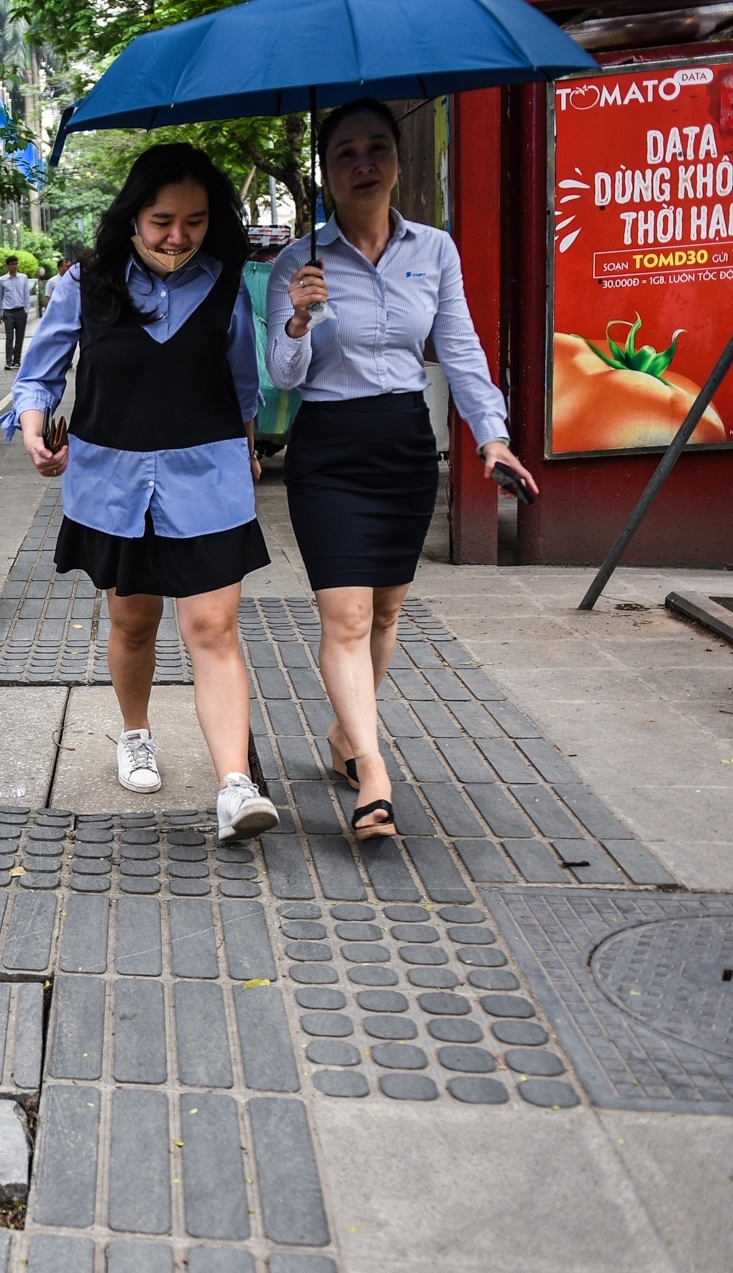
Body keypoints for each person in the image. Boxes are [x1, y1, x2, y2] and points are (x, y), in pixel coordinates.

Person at [267, 99, 541, 841]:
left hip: (403, 442)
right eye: (347, 152)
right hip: (328, 446)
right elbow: (282, 376)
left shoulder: (435, 250)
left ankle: (343, 735)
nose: (363, 163)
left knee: (386, 613)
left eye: (377, 148)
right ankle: (375, 770)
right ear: (326, 170)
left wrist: (492, 435)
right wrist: (297, 318)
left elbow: (460, 346)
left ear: (398, 161)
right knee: (347, 615)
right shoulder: (298, 261)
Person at [6, 142, 279, 843]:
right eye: (162, 220)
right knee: (134, 623)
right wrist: (34, 429)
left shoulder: (225, 285)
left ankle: (233, 785)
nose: (177, 236)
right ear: (133, 214)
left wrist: (250, 447)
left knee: (213, 629)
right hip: (113, 482)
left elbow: (243, 383)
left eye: (193, 221)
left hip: (210, 476)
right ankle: (135, 732)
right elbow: (38, 375)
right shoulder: (85, 282)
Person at [0, 255, 31, 368]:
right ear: (7, 266)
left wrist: (27, 310)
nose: (15, 266)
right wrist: (0, 313)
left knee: (20, 337)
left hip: (21, 310)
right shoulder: (2, 280)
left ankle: (17, 361)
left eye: (16, 263)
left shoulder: (23, 278)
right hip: (8, 311)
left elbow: (26, 294)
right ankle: (8, 361)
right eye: (12, 264)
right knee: (9, 337)